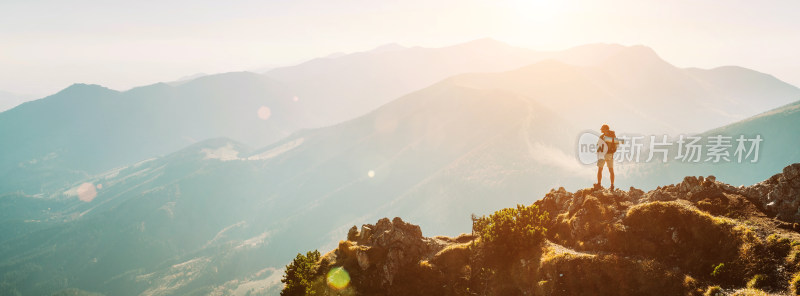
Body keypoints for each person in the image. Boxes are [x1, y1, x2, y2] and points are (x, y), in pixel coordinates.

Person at [595, 124, 624, 190]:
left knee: (600, 170)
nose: (601, 130)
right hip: (610, 155)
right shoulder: (613, 136)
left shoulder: (602, 137)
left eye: (602, 129)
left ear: (605, 129)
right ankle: (612, 185)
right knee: (611, 170)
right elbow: (617, 144)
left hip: (602, 155)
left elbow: (598, 145)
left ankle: (599, 184)